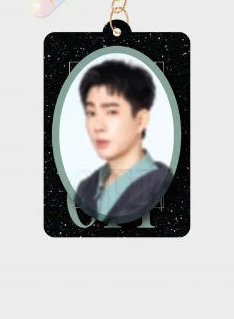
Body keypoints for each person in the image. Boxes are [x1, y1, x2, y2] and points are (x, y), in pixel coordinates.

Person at [74, 59, 172, 223]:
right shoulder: (85, 188)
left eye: (112, 112)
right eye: (91, 113)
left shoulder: (163, 186)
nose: (98, 126)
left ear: (140, 120)